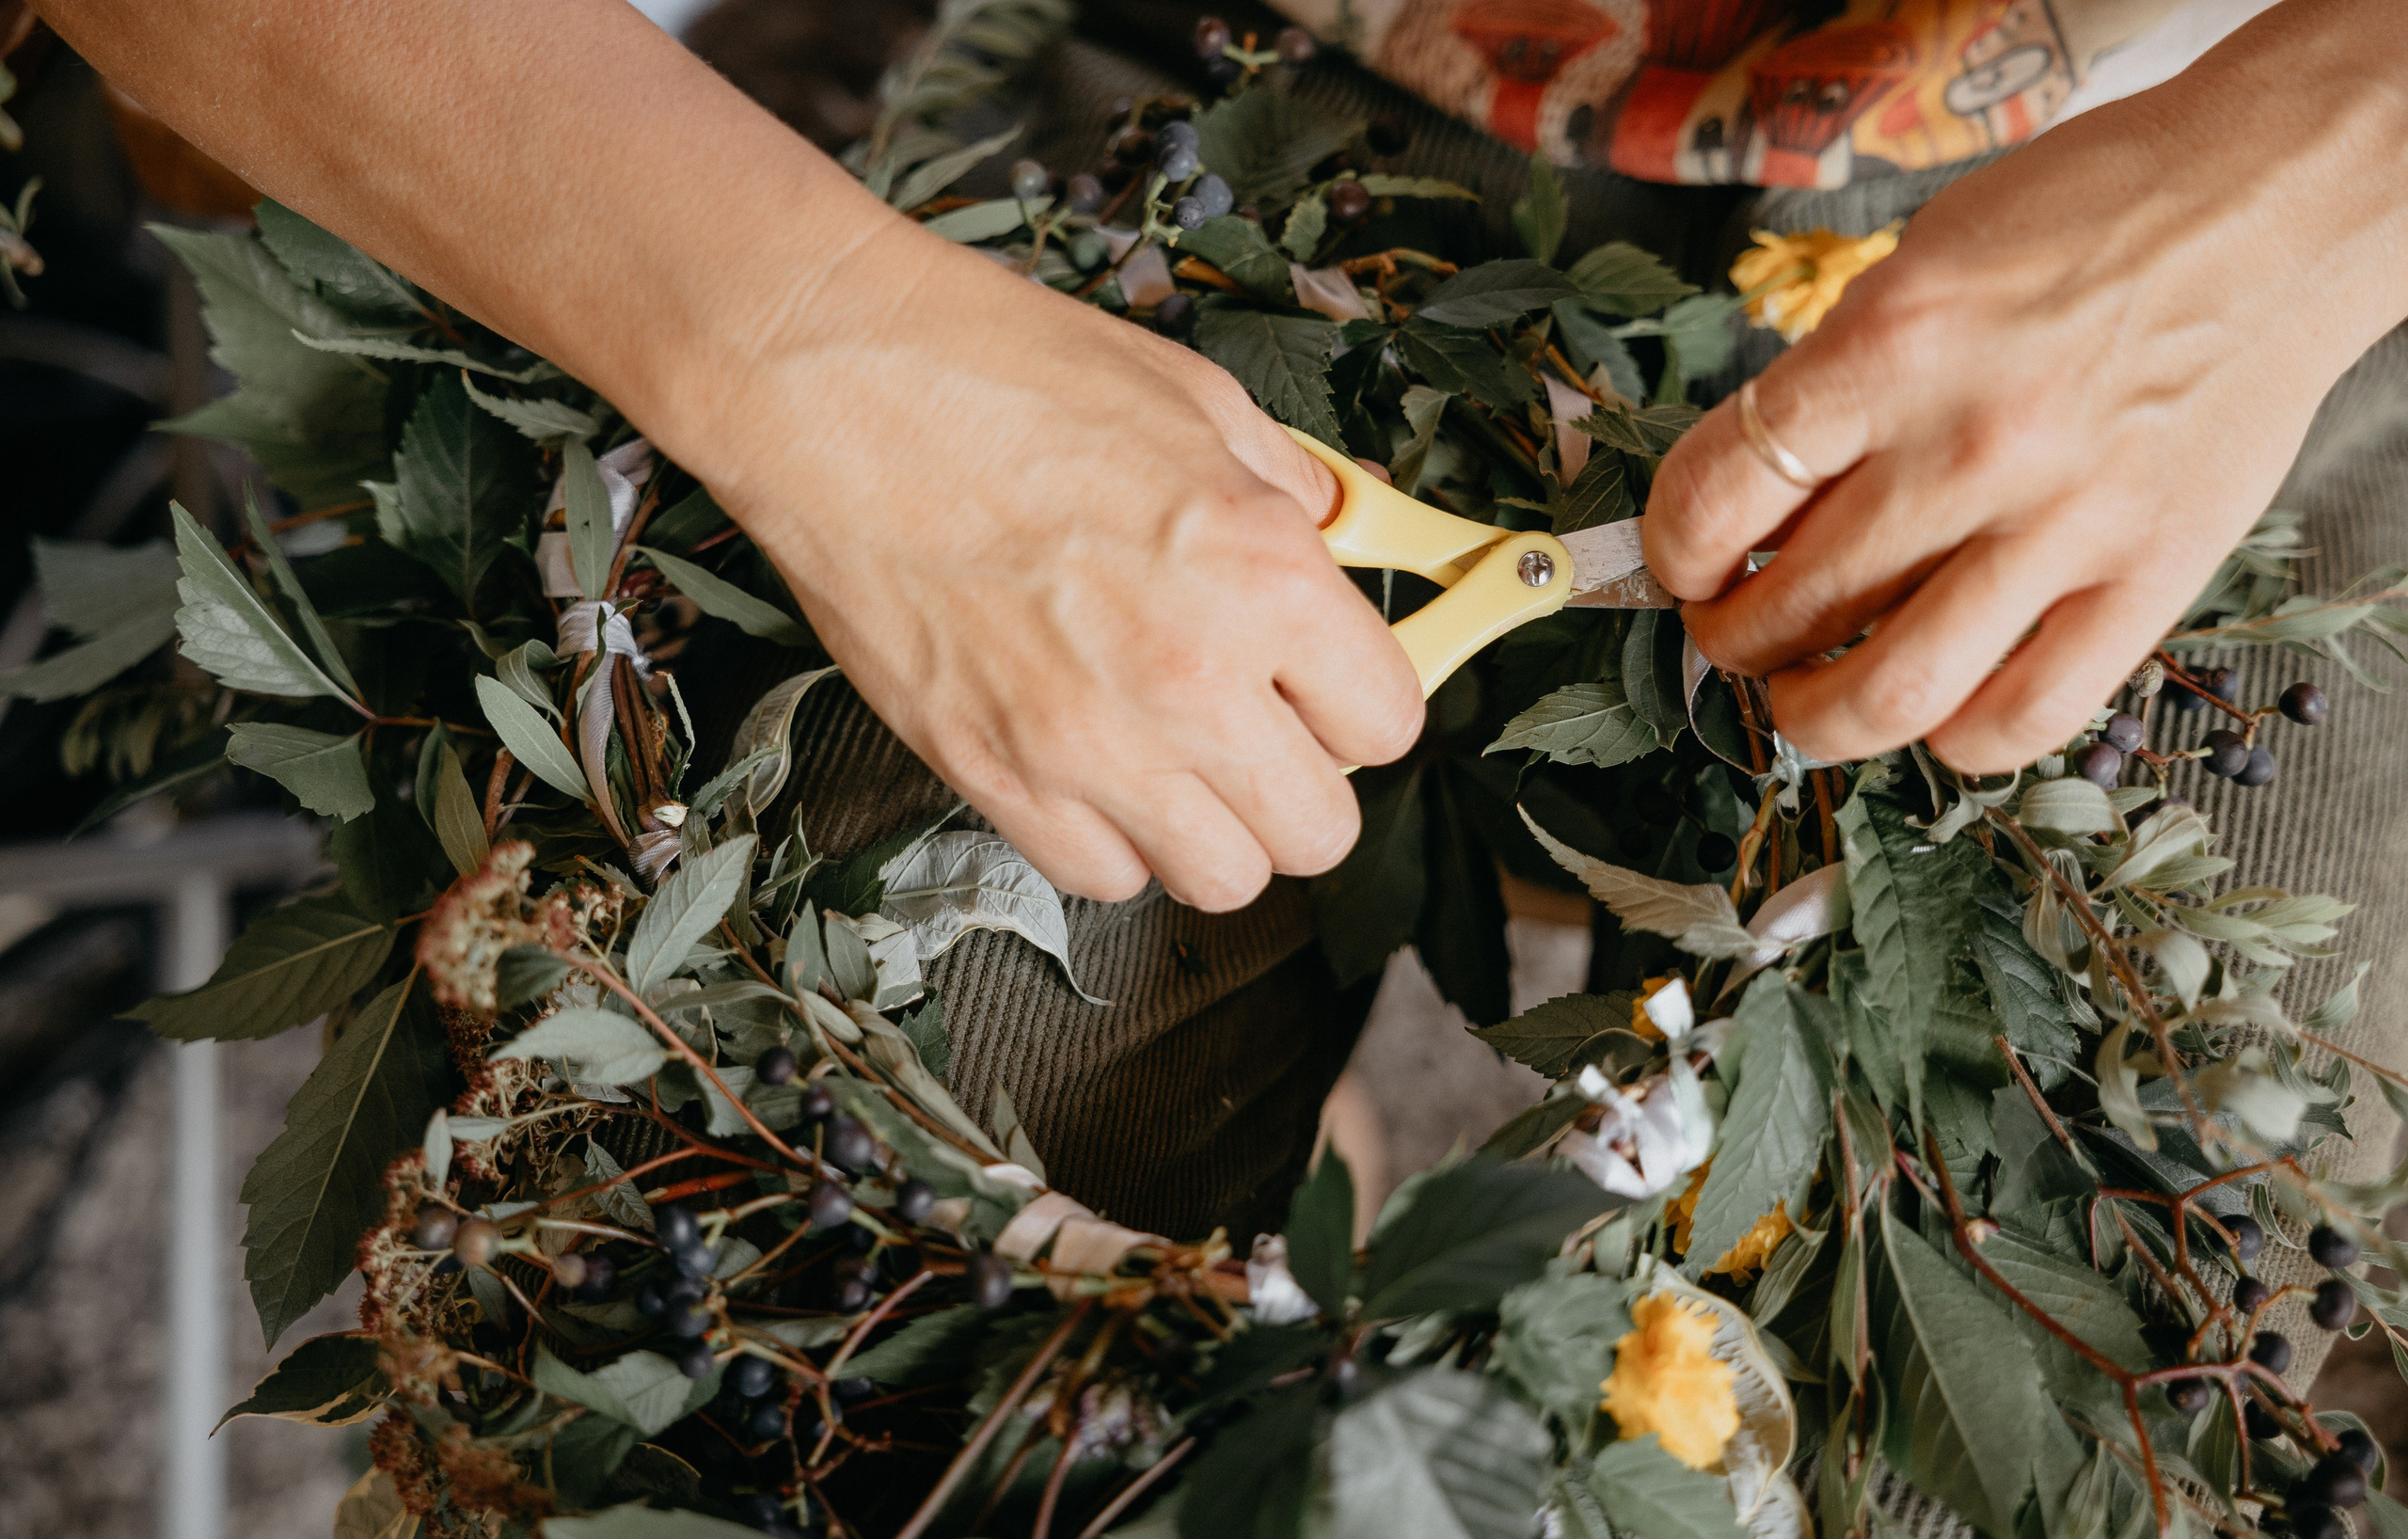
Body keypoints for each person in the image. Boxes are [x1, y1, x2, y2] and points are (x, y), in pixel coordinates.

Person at [37, 0, 2408, 1229]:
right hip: (1214, 69)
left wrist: (2310, 181)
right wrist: (798, 345)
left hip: (2217, 141)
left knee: (2105, 1259)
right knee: (892, 1159)